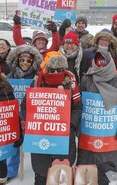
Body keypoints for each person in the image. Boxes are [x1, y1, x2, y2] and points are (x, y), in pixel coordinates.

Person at [21, 53, 82, 184]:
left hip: (64, 135)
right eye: (52, 69)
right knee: (41, 173)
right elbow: (24, 106)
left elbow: (78, 107)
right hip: (40, 136)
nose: (55, 72)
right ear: (46, 69)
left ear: (64, 69)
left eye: (59, 70)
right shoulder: (37, 83)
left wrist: (70, 124)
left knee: (62, 172)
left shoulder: (71, 84)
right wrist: (32, 121)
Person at [77, 50, 117, 165]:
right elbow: (79, 105)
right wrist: (78, 127)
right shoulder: (87, 79)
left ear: (110, 63)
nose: (101, 66)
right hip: (88, 134)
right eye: (98, 63)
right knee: (86, 171)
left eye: (104, 63)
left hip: (109, 134)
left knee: (107, 171)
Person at [6, 45, 43, 181]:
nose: (25, 63)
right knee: (13, 143)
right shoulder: (10, 77)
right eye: (22, 60)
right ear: (17, 61)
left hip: (31, 115)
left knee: (34, 142)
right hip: (13, 114)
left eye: (28, 61)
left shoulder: (37, 78)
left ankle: (40, 171)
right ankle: (10, 171)